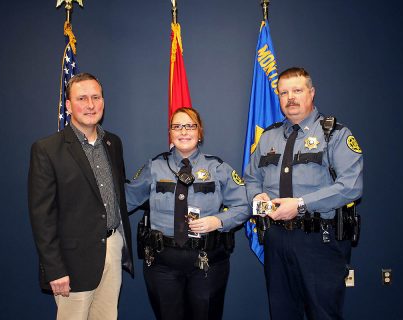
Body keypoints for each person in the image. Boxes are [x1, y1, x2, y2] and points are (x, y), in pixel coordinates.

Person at [244, 67, 363, 320]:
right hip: (276, 238)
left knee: (323, 314)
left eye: (297, 90)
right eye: (284, 92)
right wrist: (257, 197)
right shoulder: (268, 137)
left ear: (311, 92)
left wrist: (300, 204)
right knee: (282, 313)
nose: (290, 98)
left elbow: (351, 186)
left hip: (319, 240)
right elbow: (251, 178)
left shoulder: (335, 134)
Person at [125, 107, 249, 320]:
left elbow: (244, 205)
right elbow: (124, 200)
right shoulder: (154, 167)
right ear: (170, 133)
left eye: (190, 126)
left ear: (199, 132)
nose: (183, 131)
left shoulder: (218, 167)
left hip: (206, 264)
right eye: (177, 126)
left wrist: (218, 221)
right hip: (162, 265)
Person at [28, 73, 133, 319]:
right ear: (68, 105)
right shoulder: (46, 149)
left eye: (96, 97)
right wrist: (54, 269)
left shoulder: (113, 143)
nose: (90, 105)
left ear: (103, 101)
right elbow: (42, 217)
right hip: (72, 261)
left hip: (113, 247)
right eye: (82, 98)